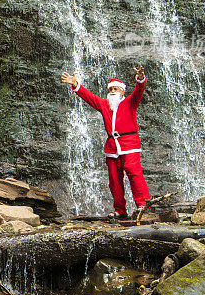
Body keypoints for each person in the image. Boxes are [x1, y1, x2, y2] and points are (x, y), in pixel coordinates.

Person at [61, 64, 150, 220]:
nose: (113, 91)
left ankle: (143, 205)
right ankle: (120, 210)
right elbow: (90, 97)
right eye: (111, 89)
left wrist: (141, 79)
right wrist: (76, 85)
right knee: (114, 179)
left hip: (129, 144)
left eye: (116, 89)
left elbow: (139, 91)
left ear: (123, 91)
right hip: (112, 147)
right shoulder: (104, 104)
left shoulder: (130, 102)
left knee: (133, 172)